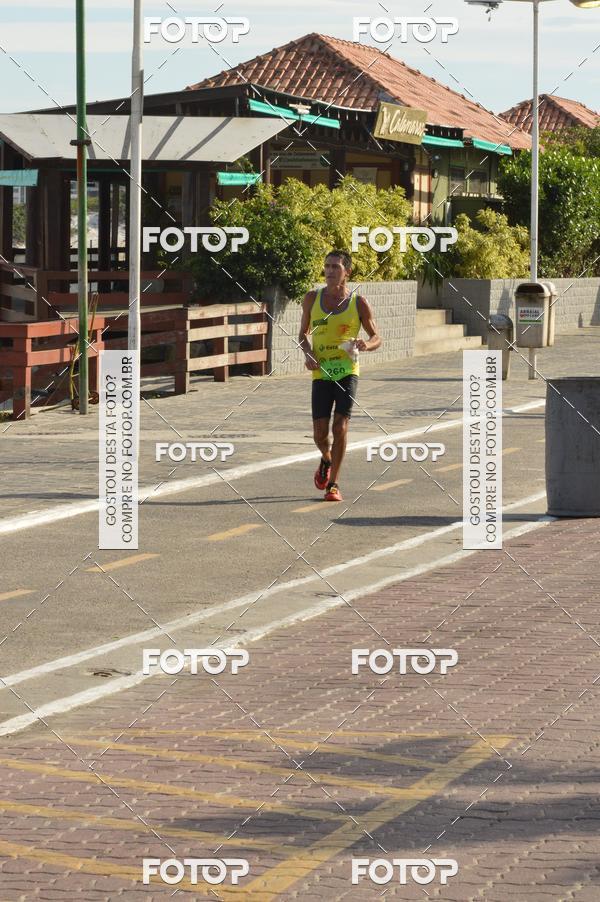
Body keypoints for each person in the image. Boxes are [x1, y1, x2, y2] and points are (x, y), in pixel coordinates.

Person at [298, 250, 382, 502]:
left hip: (347, 371)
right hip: (321, 372)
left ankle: (333, 484)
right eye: (327, 266)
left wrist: (367, 344)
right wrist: (308, 353)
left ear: (347, 272)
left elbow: (377, 337)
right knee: (319, 435)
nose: (329, 271)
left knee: (340, 426)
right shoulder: (312, 299)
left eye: (335, 267)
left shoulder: (359, 303)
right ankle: (326, 458)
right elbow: (303, 334)